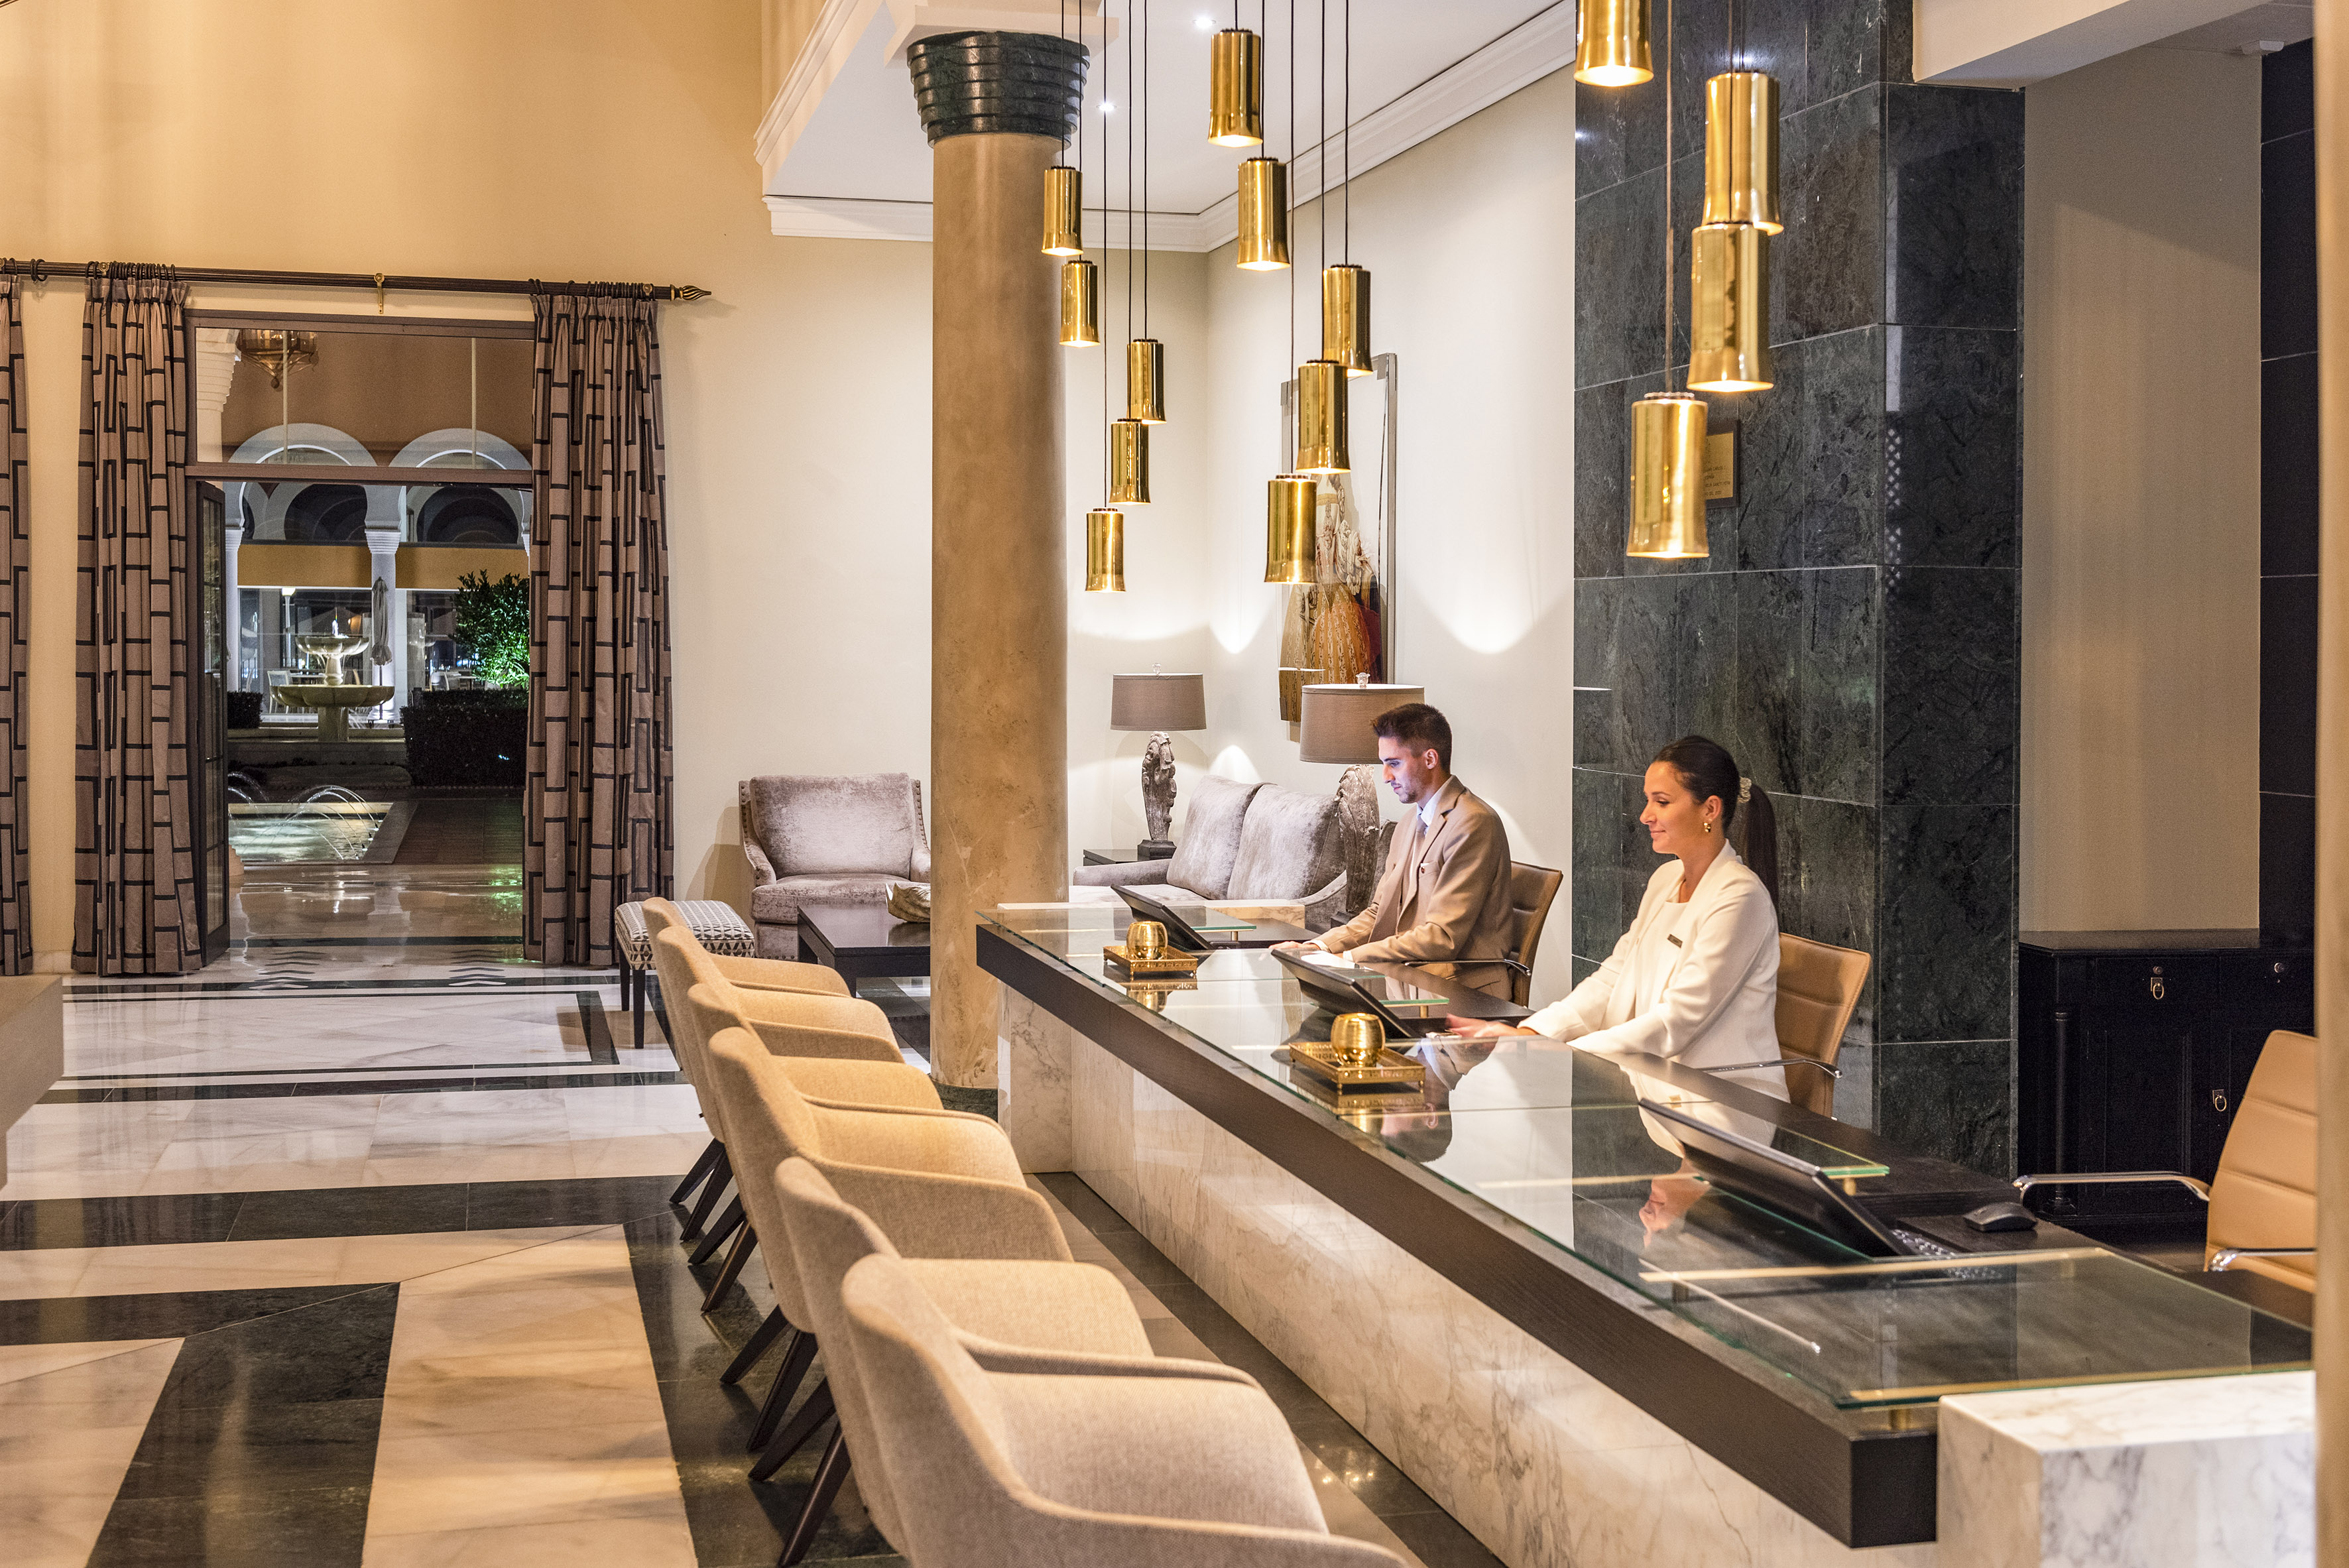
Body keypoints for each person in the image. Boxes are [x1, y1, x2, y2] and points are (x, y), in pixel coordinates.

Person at [1449, 735, 1785, 1099]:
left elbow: (1678, 1021)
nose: (1645, 816)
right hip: (1656, 1087)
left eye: (1662, 802)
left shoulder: (1740, 897)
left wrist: (1562, 1051)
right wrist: (1533, 1034)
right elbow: (1611, 979)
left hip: (1725, 1102)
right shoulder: (1665, 879)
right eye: (1647, 800)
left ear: (1710, 810)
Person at [1278, 702, 1516, 985]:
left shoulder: (1473, 823)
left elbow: (1441, 938)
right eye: (1384, 764)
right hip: (1408, 975)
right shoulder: (1407, 824)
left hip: (1462, 986)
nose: (1386, 777)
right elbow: (1379, 912)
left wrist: (1348, 960)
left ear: (1430, 759)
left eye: (1394, 764)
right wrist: (1319, 947)